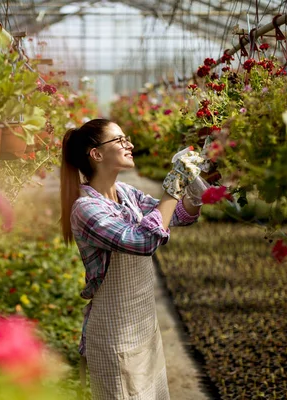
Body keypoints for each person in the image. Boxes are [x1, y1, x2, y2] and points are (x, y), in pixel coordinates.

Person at [60, 119, 206, 400]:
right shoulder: (86, 209)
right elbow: (143, 241)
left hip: (144, 326)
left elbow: (172, 216)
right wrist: (173, 185)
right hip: (115, 333)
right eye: (120, 140)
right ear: (97, 154)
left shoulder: (126, 193)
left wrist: (196, 189)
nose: (131, 145)